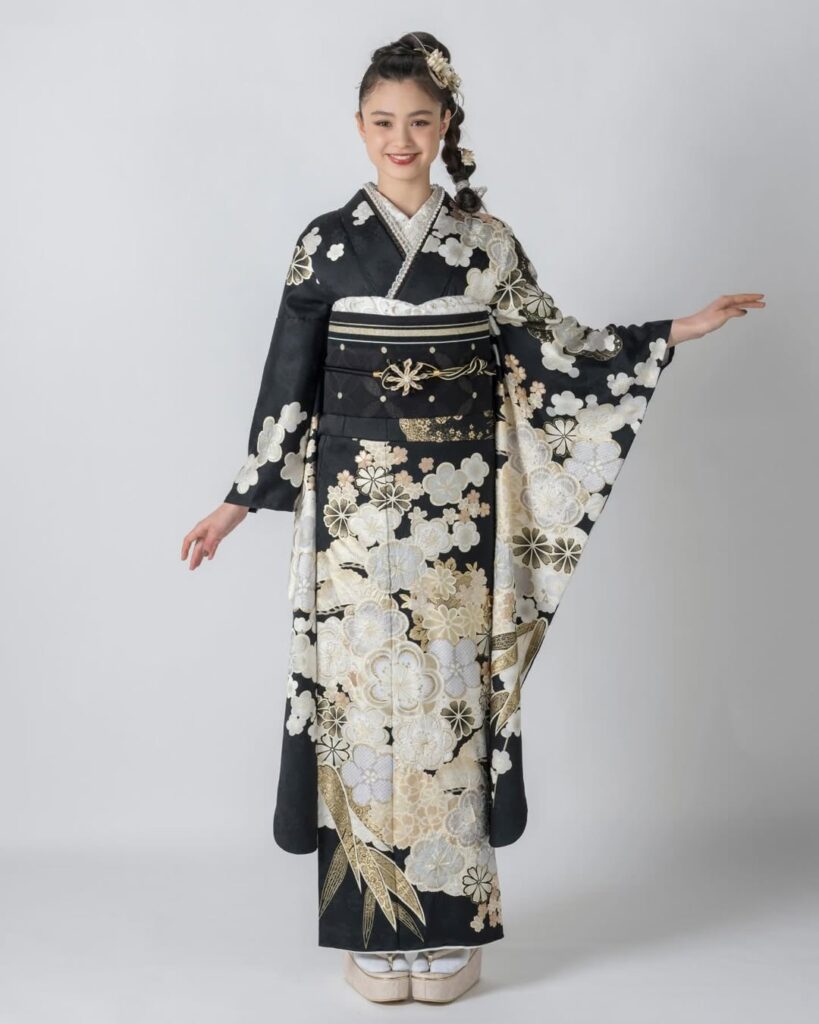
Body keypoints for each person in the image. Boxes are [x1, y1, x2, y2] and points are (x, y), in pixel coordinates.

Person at [181, 30, 763, 1004]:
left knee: (447, 704)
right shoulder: (325, 243)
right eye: (382, 121)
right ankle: (373, 933)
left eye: (419, 120)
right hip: (353, 523)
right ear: (358, 126)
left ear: (445, 124)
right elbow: (288, 381)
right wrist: (239, 500)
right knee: (362, 705)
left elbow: (559, 347)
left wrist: (671, 331)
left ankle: (449, 931)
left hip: (456, 519)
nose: (399, 139)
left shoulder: (485, 244)